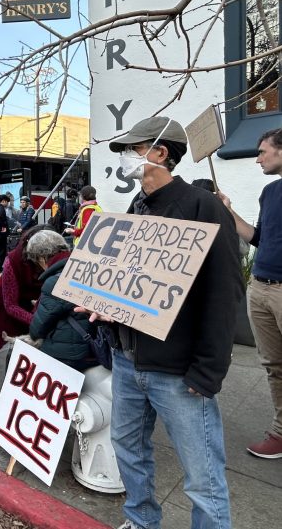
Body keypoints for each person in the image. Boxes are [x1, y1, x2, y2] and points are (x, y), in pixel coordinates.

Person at [97, 116, 243, 529]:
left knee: (203, 475)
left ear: (160, 153)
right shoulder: (136, 206)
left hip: (178, 371)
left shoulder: (204, 207)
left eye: (133, 149)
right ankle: (141, 520)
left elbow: (224, 295)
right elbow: (131, 281)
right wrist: (106, 306)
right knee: (128, 448)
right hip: (128, 359)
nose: (126, 157)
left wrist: (208, 370)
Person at [218, 128, 282, 458]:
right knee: (273, 364)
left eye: (262, 151)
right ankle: (281, 432)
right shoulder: (270, 192)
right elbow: (258, 238)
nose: (257, 158)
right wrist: (228, 210)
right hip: (260, 288)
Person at [27, 231, 97, 371]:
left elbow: (37, 329)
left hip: (70, 354)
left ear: (42, 258)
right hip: (95, 346)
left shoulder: (55, 281)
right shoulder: (86, 267)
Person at [0, 225, 48, 362]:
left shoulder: (56, 256)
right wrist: (38, 322)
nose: (46, 259)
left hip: (40, 309)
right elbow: (10, 305)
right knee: (17, 352)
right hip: (13, 307)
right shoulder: (14, 261)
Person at [0, 194, 11, 271]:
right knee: (1, 251)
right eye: (7, 202)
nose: (7, 204)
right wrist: (2, 230)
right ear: (3, 201)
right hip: (1, 234)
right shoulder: (1, 208)